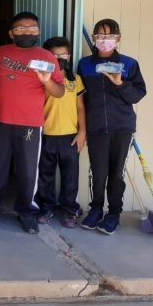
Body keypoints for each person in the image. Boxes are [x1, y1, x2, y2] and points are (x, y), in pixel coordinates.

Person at [0, 11, 64, 234]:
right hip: (0, 120)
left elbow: (59, 92)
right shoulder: (1, 52)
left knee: (27, 171)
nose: (27, 32)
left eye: (32, 28)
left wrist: (46, 81)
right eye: (21, 28)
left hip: (30, 124)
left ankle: (26, 211)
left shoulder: (46, 57)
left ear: (38, 31)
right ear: (11, 33)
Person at [77, 19, 146, 234]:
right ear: (94, 38)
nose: (104, 40)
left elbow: (137, 95)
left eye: (109, 36)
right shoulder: (85, 64)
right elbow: (80, 98)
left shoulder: (129, 64)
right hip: (96, 127)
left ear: (118, 38)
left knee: (116, 174)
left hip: (122, 128)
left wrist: (120, 83)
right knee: (98, 172)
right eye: (100, 35)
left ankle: (114, 213)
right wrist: (82, 128)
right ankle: (96, 209)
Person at [35, 37, 86, 228]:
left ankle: (69, 210)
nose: (59, 59)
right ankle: (46, 207)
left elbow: (80, 107)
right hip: (45, 134)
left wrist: (82, 132)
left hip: (70, 136)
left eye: (63, 55)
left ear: (69, 56)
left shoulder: (75, 80)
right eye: (54, 56)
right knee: (44, 175)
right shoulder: (41, 80)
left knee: (70, 177)